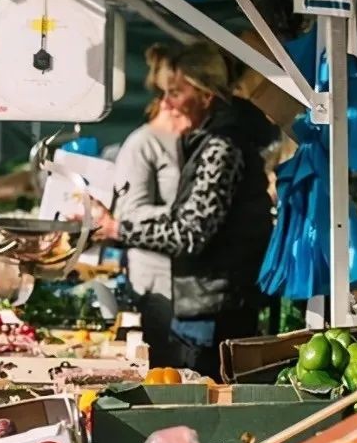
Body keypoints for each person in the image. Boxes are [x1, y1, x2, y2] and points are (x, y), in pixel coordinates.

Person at [91, 43, 274, 378]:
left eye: (175, 93)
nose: (165, 103)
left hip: (214, 306)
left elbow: (190, 233)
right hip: (209, 299)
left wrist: (118, 230)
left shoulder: (221, 146)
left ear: (205, 96)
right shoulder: (209, 139)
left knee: (201, 399)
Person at [111, 43, 188, 365]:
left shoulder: (189, 137)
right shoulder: (143, 145)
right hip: (158, 288)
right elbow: (129, 215)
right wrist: (194, 214)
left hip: (189, 284)